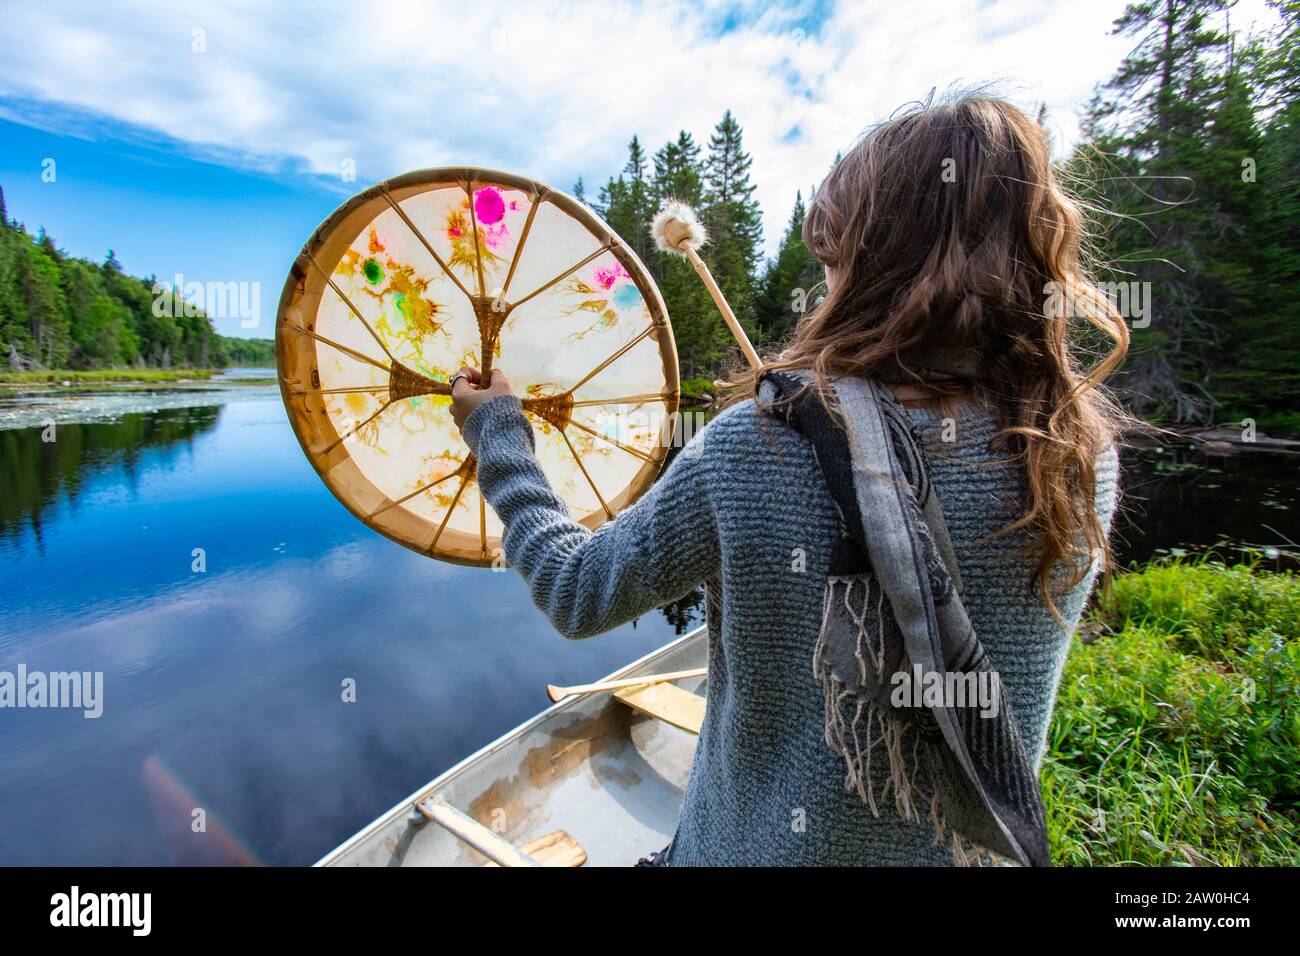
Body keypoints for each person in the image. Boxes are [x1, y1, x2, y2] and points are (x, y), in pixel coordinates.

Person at [448, 94, 1127, 866]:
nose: (829, 282)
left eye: (834, 260)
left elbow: (578, 591)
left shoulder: (754, 447)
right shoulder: (1076, 454)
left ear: (871, 267)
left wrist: (499, 434)